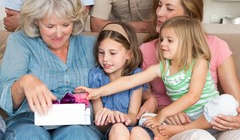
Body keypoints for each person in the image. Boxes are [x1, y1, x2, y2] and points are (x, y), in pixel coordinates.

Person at [76, 16, 239, 140]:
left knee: (228, 102)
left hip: (206, 115)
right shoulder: (162, 68)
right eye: (161, 39)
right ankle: (178, 130)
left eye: (169, 40)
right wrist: (97, 92)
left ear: (187, 43)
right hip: (182, 118)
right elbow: (129, 81)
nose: (162, 44)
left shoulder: (199, 62)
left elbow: (192, 96)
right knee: (145, 119)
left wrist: (164, 114)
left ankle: (184, 130)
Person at [0, 0, 104, 140]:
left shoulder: (91, 45)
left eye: (65, 24)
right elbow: (5, 100)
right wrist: (24, 82)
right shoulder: (20, 41)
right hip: (29, 121)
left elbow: (118, 77)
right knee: (29, 136)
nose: (58, 34)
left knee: (78, 135)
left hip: (79, 124)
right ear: (36, 21)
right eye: (50, 26)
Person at [138, 0, 240, 140]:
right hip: (173, 125)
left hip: (213, 121)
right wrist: (163, 110)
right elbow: (141, 97)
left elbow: (236, 100)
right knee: (199, 137)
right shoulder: (146, 50)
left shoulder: (217, 46)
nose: (159, 12)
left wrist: (237, 120)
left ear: (189, 17)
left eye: (169, 8)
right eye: (159, 5)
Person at [88, 22, 151, 139]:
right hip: (111, 131)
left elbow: (133, 117)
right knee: (118, 129)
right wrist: (109, 119)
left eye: (112, 53)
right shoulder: (96, 76)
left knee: (138, 132)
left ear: (129, 54)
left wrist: (121, 117)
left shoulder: (136, 76)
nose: (105, 59)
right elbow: (99, 121)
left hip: (131, 127)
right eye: (101, 52)